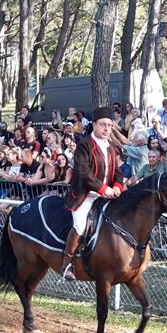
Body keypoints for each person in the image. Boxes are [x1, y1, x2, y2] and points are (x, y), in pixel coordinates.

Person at [60, 107, 124, 281]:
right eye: (102, 125)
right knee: (80, 226)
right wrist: (103, 189)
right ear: (94, 125)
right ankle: (67, 264)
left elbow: (117, 171)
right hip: (84, 196)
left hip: (107, 195)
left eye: (109, 125)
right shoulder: (84, 145)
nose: (106, 129)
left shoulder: (111, 147)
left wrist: (118, 185)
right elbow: (83, 172)